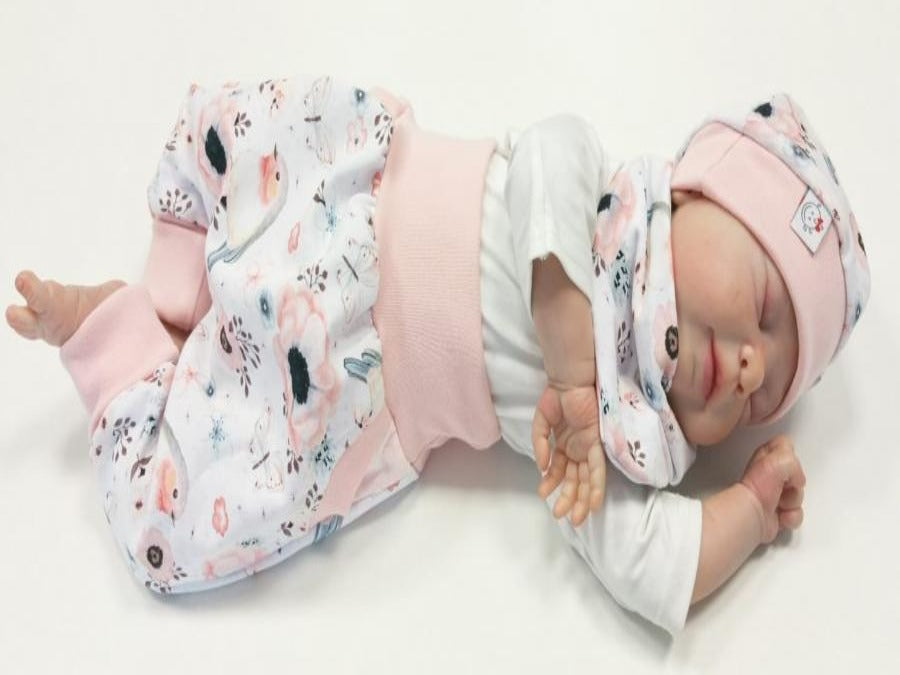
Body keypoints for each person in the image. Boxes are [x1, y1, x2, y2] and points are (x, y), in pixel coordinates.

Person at [5, 75, 869, 633]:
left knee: (187, 521)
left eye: (764, 395)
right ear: (694, 193)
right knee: (239, 136)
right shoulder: (600, 192)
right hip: (350, 188)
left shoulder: (603, 443)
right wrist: (570, 352)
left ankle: (119, 340)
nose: (752, 366)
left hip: (353, 384)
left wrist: (752, 510)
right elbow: (545, 150)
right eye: (765, 308)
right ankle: (182, 272)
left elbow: (652, 566)